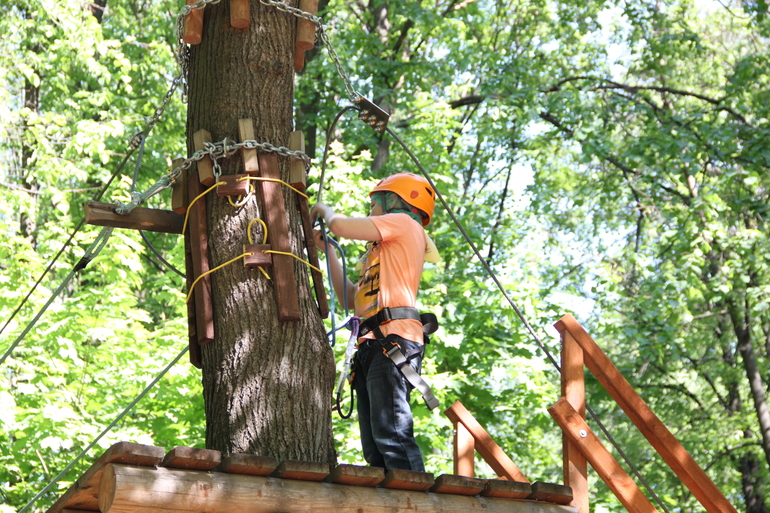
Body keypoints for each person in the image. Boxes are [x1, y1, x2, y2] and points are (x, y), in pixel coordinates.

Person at [311, 172, 437, 472]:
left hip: (393, 342)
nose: (370, 211)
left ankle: (414, 503)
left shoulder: (405, 224)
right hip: (372, 345)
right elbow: (350, 300)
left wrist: (323, 210)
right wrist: (327, 250)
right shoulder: (380, 253)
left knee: (392, 436)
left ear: (394, 201)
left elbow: (339, 224)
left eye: (374, 204)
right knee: (375, 449)